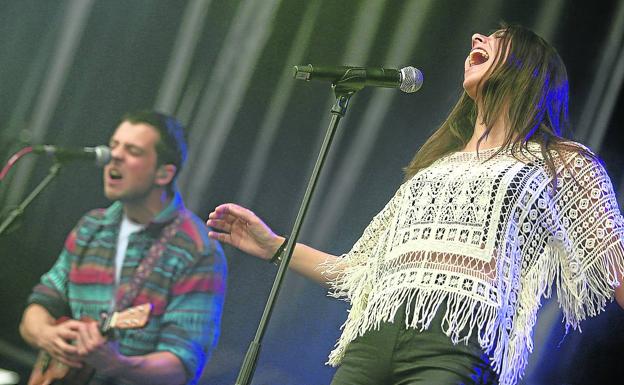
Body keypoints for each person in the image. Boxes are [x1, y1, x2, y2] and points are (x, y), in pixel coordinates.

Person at [206, 23, 624, 385]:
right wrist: (276, 246)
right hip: (373, 336)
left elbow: (614, 262)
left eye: (498, 39)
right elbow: (358, 271)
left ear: (528, 68)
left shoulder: (560, 161)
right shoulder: (434, 169)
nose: (477, 38)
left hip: (457, 336)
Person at [20, 110, 227, 385]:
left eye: (132, 151)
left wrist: (117, 364)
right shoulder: (91, 227)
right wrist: (46, 335)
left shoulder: (197, 249)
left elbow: (182, 365)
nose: (113, 156)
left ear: (164, 173)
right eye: (114, 145)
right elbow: (40, 306)